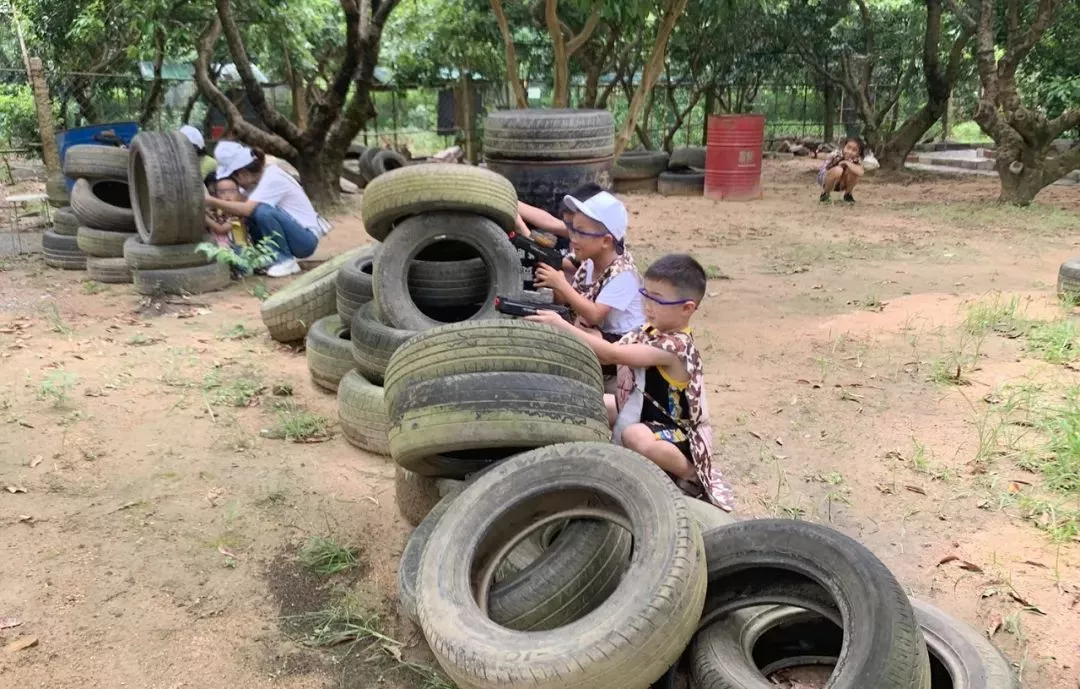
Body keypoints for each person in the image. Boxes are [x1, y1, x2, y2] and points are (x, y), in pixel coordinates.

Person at [527, 254, 733, 512]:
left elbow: (613, 355)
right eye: (645, 295)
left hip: (676, 431)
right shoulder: (650, 331)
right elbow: (610, 349)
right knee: (591, 402)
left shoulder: (676, 347)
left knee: (635, 436)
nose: (648, 306)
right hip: (642, 412)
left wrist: (562, 326)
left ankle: (691, 475)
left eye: (658, 300)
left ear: (687, 308)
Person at [204, 141, 330, 277]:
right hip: (293, 238)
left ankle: (284, 260)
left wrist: (211, 201)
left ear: (243, 173)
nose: (236, 184)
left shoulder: (272, 177)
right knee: (250, 216)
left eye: (234, 178)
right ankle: (266, 257)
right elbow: (235, 207)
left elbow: (246, 209)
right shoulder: (252, 186)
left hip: (305, 240)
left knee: (262, 211)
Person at [818, 136, 865, 203]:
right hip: (827, 178)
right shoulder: (837, 153)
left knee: (855, 171)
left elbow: (861, 172)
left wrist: (846, 162)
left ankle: (847, 194)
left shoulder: (857, 159)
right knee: (838, 170)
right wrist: (815, 154)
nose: (850, 152)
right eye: (848, 148)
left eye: (854, 150)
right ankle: (825, 194)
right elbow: (825, 156)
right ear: (844, 147)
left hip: (841, 182)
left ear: (858, 152)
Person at [204, 177, 248, 249]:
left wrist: (205, 218)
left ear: (239, 195)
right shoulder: (215, 212)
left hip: (238, 248)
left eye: (232, 191)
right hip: (218, 246)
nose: (227, 196)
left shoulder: (239, 214)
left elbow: (221, 229)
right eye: (222, 192)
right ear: (216, 196)